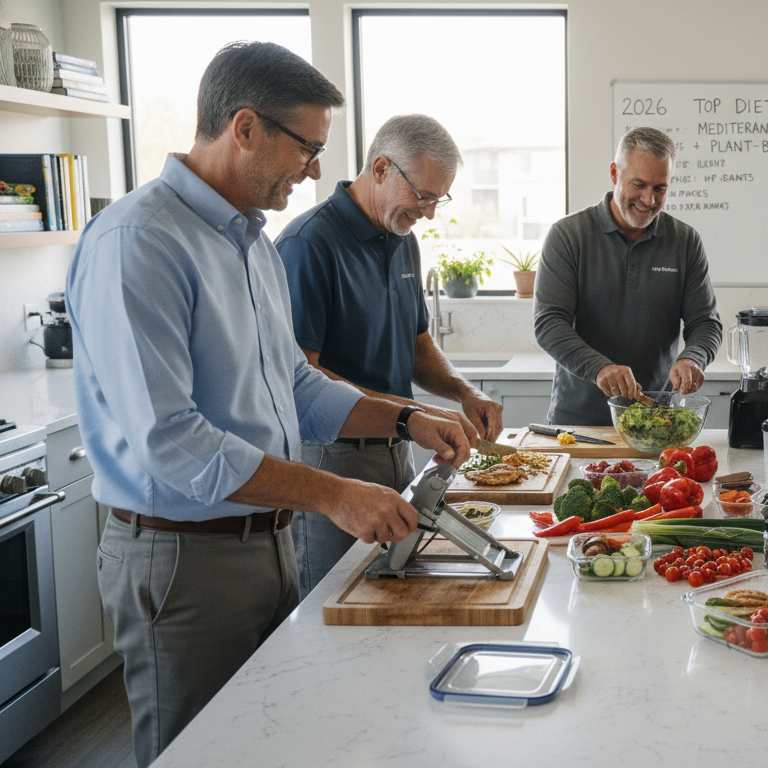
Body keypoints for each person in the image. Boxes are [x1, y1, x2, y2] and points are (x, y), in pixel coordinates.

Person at [66, 42, 471, 766]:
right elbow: (173, 442)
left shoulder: (248, 239)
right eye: (307, 148)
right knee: (195, 754)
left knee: (271, 744)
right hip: (183, 558)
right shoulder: (140, 241)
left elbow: (297, 383)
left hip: (267, 543)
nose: (315, 169)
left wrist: (409, 417)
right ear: (245, 127)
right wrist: (334, 492)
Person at [277, 114, 503, 596]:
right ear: (382, 168)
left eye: (438, 200)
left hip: (397, 448)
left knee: (389, 592)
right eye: (423, 196)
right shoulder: (308, 244)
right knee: (335, 603)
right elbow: (301, 376)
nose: (429, 213)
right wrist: (410, 413)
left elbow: (417, 343)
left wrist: (461, 392)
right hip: (333, 458)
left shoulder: (402, 241)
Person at [534, 126, 722, 425]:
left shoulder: (685, 241)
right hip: (578, 421)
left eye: (660, 188)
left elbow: (706, 323)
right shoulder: (569, 235)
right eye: (639, 185)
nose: (649, 200)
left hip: (655, 419)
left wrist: (693, 358)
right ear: (614, 173)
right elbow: (549, 324)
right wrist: (599, 368)